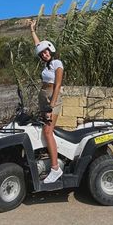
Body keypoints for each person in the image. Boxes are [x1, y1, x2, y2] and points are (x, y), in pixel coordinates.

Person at [30, 19, 65, 184]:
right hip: (44, 97)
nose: (44, 54)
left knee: (47, 132)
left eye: (46, 52)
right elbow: (38, 45)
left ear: (51, 50)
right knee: (44, 130)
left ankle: (55, 168)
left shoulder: (57, 63)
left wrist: (51, 104)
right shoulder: (46, 65)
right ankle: (51, 161)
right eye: (42, 53)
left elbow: (58, 85)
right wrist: (32, 31)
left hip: (53, 99)